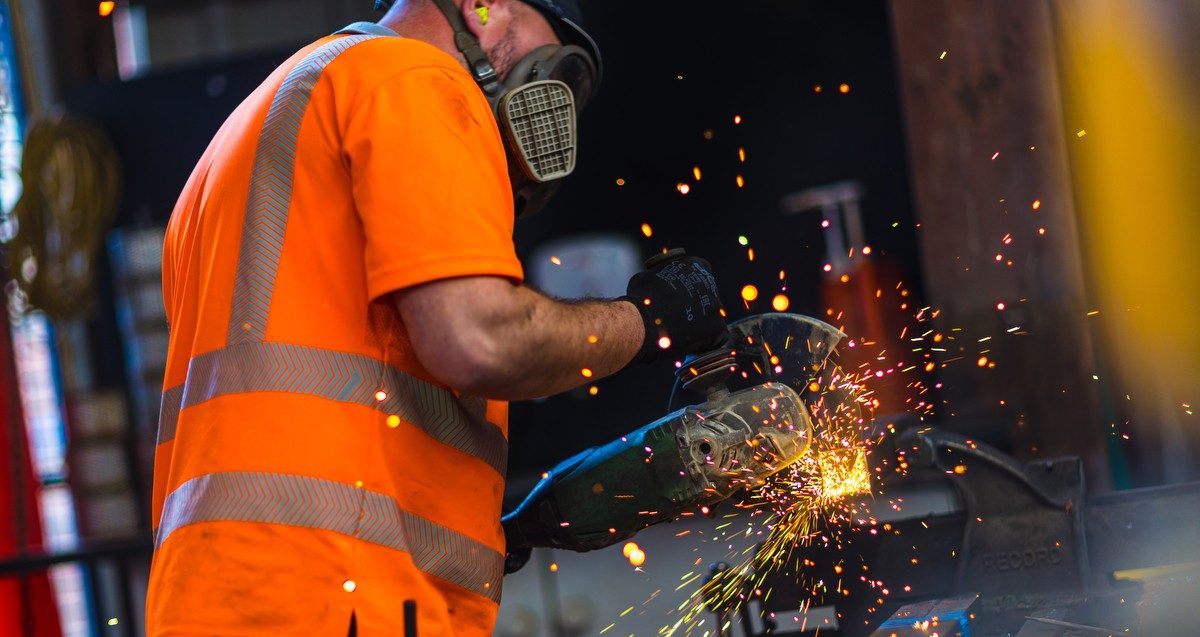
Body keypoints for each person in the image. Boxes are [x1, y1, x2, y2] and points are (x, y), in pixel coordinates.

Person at [146, 0, 727, 635]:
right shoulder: (415, 78)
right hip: (342, 588)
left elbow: (323, 384)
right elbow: (481, 340)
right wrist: (649, 318)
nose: (557, 98)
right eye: (555, 50)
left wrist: (477, 529)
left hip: (224, 592)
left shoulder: (252, 131)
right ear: (486, 9)